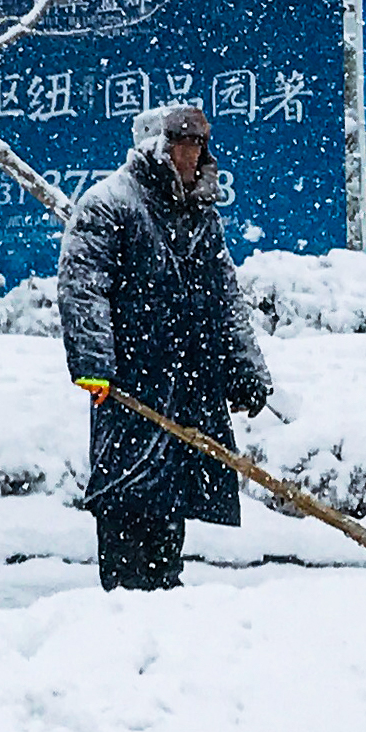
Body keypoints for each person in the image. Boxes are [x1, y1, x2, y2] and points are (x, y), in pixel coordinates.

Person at [59, 101, 274, 592]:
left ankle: (165, 598)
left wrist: (243, 372)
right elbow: (82, 288)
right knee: (129, 493)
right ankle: (123, 602)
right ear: (156, 146)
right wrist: (95, 365)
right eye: (182, 142)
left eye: (199, 144)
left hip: (187, 383)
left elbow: (224, 299)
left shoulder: (200, 216)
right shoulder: (109, 204)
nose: (190, 154)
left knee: (171, 497)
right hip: (131, 385)